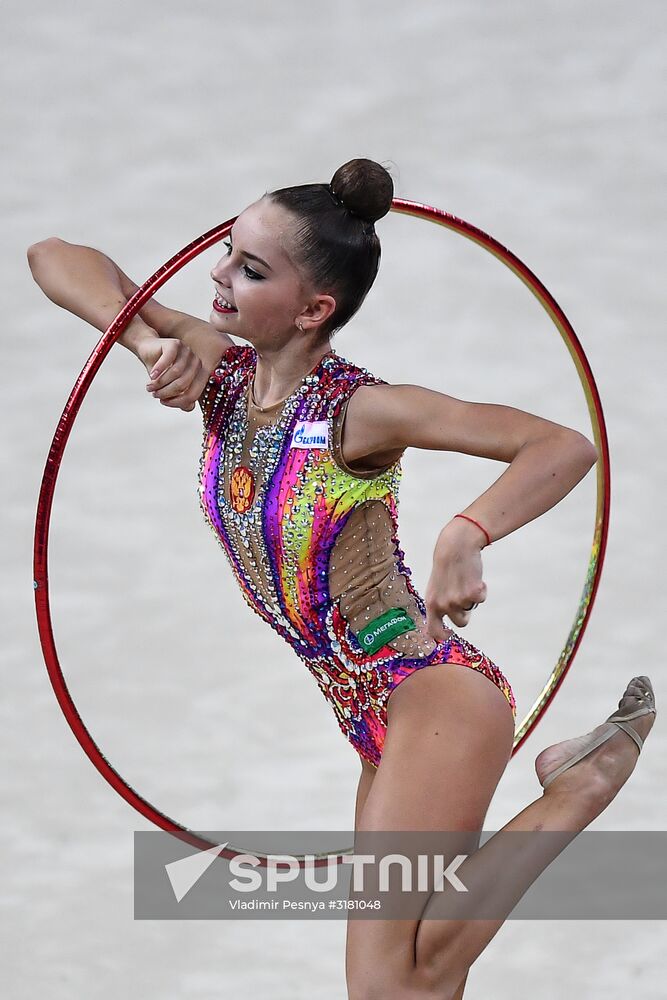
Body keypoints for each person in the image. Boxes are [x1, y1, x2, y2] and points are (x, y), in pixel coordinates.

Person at [28, 158, 656, 1000]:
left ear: (313, 309)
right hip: (367, 711)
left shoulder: (359, 412)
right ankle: (576, 783)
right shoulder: (218, 376)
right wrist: (146, 339)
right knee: (415, 984)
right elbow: (54, 255)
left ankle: (576, 794)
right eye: (225, 250)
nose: (218, 273)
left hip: (430, 695)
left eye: (252, 270)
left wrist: (466, 532)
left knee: (390, 990)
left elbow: (560, 446)